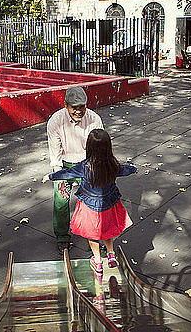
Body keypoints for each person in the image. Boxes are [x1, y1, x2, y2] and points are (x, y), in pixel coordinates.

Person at [42, 129, 137, 273]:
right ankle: (111, 255)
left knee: (92, 234)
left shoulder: (84, 166)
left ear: (89, 147)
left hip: (90, 206)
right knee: (107, 230)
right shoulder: (112, 165)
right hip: (109, 204)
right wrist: (133, 168)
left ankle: (97, 260)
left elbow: (67, 173)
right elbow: (125, 170)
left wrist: (51, 176)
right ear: (108, 147)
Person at [47, 86, 103, 254]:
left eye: (82, 107)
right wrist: (60, 177)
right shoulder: (55, 121)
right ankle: (62, 237)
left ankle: (94, 235)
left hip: (87, 162)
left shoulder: (94, 119)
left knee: (93, 199)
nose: (79, 111)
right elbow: (55, 152)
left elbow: (99, 148)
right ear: (66, 105)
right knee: (61, 199)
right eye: (74, 107)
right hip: (64, 164)